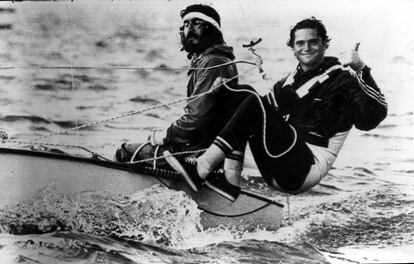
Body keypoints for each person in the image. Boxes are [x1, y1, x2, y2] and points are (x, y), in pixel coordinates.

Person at [165, 17, 387, 202]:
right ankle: (228, 181)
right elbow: (253, 113)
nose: (306, 48)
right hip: (279, 163)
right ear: (292, 48)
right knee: (240, 95)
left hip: (305, 168)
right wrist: (223, 92)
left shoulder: (342, 79)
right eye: (300, 43)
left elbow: (372, 118)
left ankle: (202, 167)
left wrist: (361, 69)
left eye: (313, 42)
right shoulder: (289, 82)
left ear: (324, 44)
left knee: (250, 99)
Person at [115, 4, 245, 167]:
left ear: (213, 30)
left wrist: (166, 136)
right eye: (186, 24)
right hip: (204, 149)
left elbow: (197, 119)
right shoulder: (216, 59)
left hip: (197, 152)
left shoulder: (213, 62)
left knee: (124, 152)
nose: (189, 29)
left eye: (197, 23)